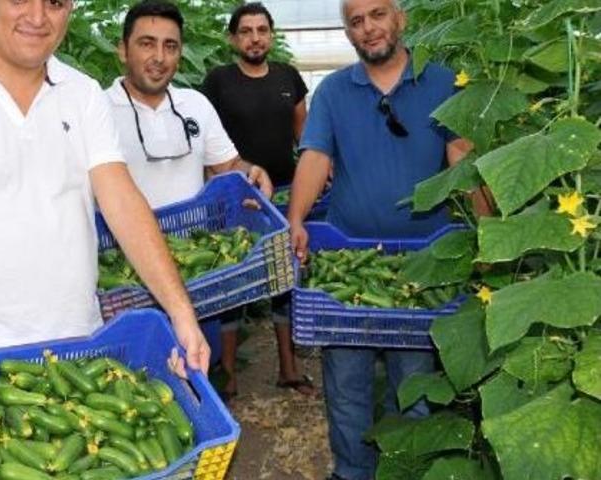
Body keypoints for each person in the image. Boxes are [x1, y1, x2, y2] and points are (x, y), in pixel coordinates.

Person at [0, 0, 210, 435]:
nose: (37, 17)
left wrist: (181, 311)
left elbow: (124, 204)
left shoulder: (83, 93)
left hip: (84, 354)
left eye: (54, 3)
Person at [287, 1, 491, 478]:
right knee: (346, 383)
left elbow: (463, 160)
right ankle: (353, 471)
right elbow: (315, 156)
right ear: (349, 33)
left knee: (414, 379)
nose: (368, 28)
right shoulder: (336, 91)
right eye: (355, 22)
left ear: (399, 17)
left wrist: (488, 232)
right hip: (348, 259)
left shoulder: (443, 83)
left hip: (425, 262)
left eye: (377, 14)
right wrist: (296, 219)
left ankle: (408, 468)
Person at [202, 2, 312, 399]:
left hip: (284, 193)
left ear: (271, 34)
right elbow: (208, 142)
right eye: (245, 31)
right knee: (234, 282)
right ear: (233, 38)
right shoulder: (218, 81)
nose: (254, 38)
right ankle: (228, 377)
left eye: (261, 30)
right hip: (237, 198)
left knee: (284, 279)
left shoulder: (288, 77)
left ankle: (288, 368)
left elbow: (305, 135)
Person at [106, 0, 272, 210]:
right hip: (122, 243)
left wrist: (251, 173)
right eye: (147, 44)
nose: (159, 57)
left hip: (194, 240)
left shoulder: (196, 104)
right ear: (123, 50)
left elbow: (228, 165)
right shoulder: (99, 110)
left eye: (170, 46)